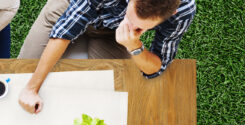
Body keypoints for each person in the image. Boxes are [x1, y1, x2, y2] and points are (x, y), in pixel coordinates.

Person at [17, 0, 196, 114]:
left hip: (111, 34)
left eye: (139, 28)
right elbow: (65, 31)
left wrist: (134, 46)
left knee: (110, 103)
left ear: (172, 13)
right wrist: (31, 88)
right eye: (130, 17)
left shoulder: (184, 9)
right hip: (68, 9)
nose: (131, 26)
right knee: (22, 77)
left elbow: (157, 67)